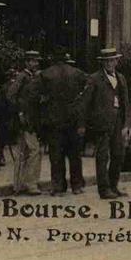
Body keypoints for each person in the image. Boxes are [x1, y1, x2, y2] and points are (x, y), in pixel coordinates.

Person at [75, 47, 130, 200]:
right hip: (101, 123)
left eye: (112, 60)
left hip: (118, 122)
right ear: (102, 63)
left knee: (118, 154)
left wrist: (127, 124)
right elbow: (84, 103)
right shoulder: (94, 79)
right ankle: (104, 189)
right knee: (102, 156)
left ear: (117, 61)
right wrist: (82, 124)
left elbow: (126, 102)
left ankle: (113, 186)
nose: (110, 63)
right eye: (107, 61)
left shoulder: (121, 78)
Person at [39, 49, 88, 195]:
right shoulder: (78, 73)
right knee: (75, 154)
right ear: (67, 58)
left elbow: (35, 95)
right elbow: (85, 96)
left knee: (56, 155)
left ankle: (59, 187)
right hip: (73, 119)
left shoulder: (45, 74)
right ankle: (77, 185)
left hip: (54, 120)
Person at [4, 51, 43, 196]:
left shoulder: (34, 77)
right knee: (34, 150)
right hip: (25, 119)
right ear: (26, 62)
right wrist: (20, 112)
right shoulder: (22, 76)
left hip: (31, 118)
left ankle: (18, 184)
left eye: (36, 61)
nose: (35, 63)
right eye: (32, 61)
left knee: (23, 152)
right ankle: (31, 184)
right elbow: (10, 95)